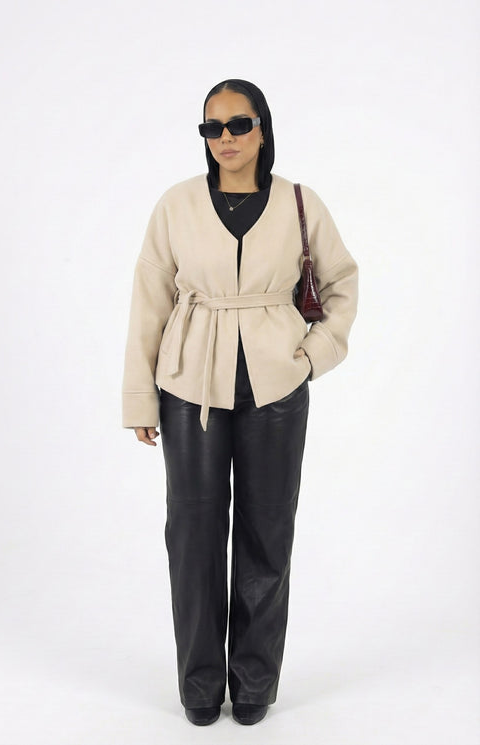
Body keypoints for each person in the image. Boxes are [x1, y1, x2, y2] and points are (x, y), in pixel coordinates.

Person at [122, 79, 358, 727]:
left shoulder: (300, 202)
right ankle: (199, 686)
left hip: (277, 383)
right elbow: (149, 299)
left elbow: (342, 283)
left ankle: (254, 681)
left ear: (262, 128)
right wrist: (140, 397)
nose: (224, 138)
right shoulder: (175, 205)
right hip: (188, 384)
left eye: (238, 124)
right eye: (212, 127)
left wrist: (312, 355)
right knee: (193, 533)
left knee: (267, 531)